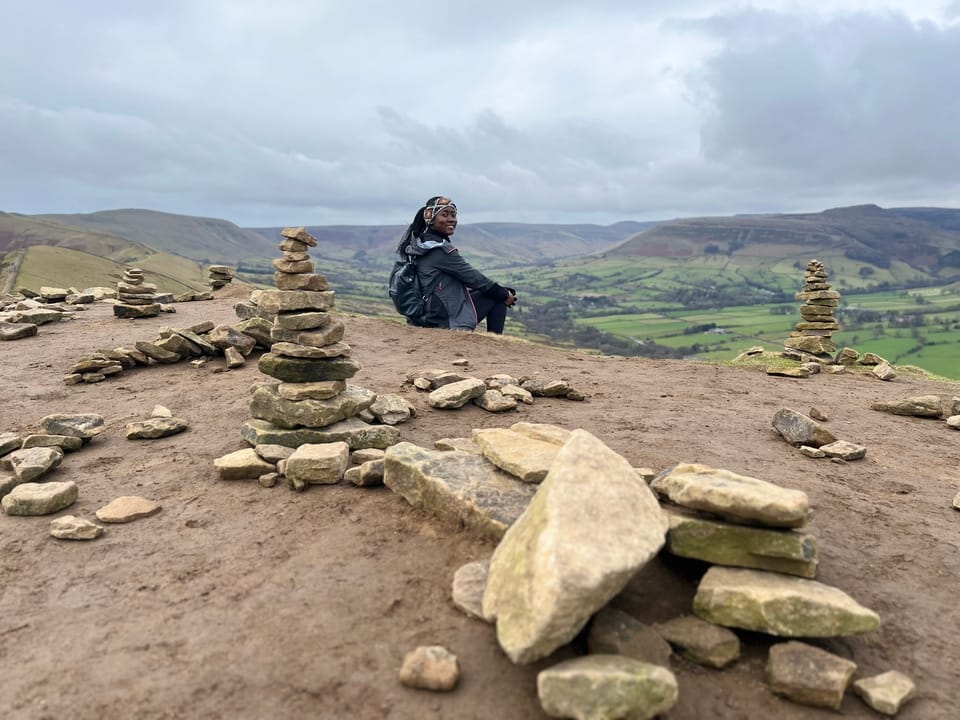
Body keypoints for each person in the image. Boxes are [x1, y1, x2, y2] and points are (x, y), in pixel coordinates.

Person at [395, 195, 517, 333]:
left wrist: (501, 291)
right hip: (441, 319)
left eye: (453, 215)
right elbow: (474, 279)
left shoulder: (419, 244)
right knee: (499, 296)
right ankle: (496, 346)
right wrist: (504, 295)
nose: (451, 219)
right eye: (445, 215)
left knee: (499, 292)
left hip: (424, 313)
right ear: (431, 219)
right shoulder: (439, 250)